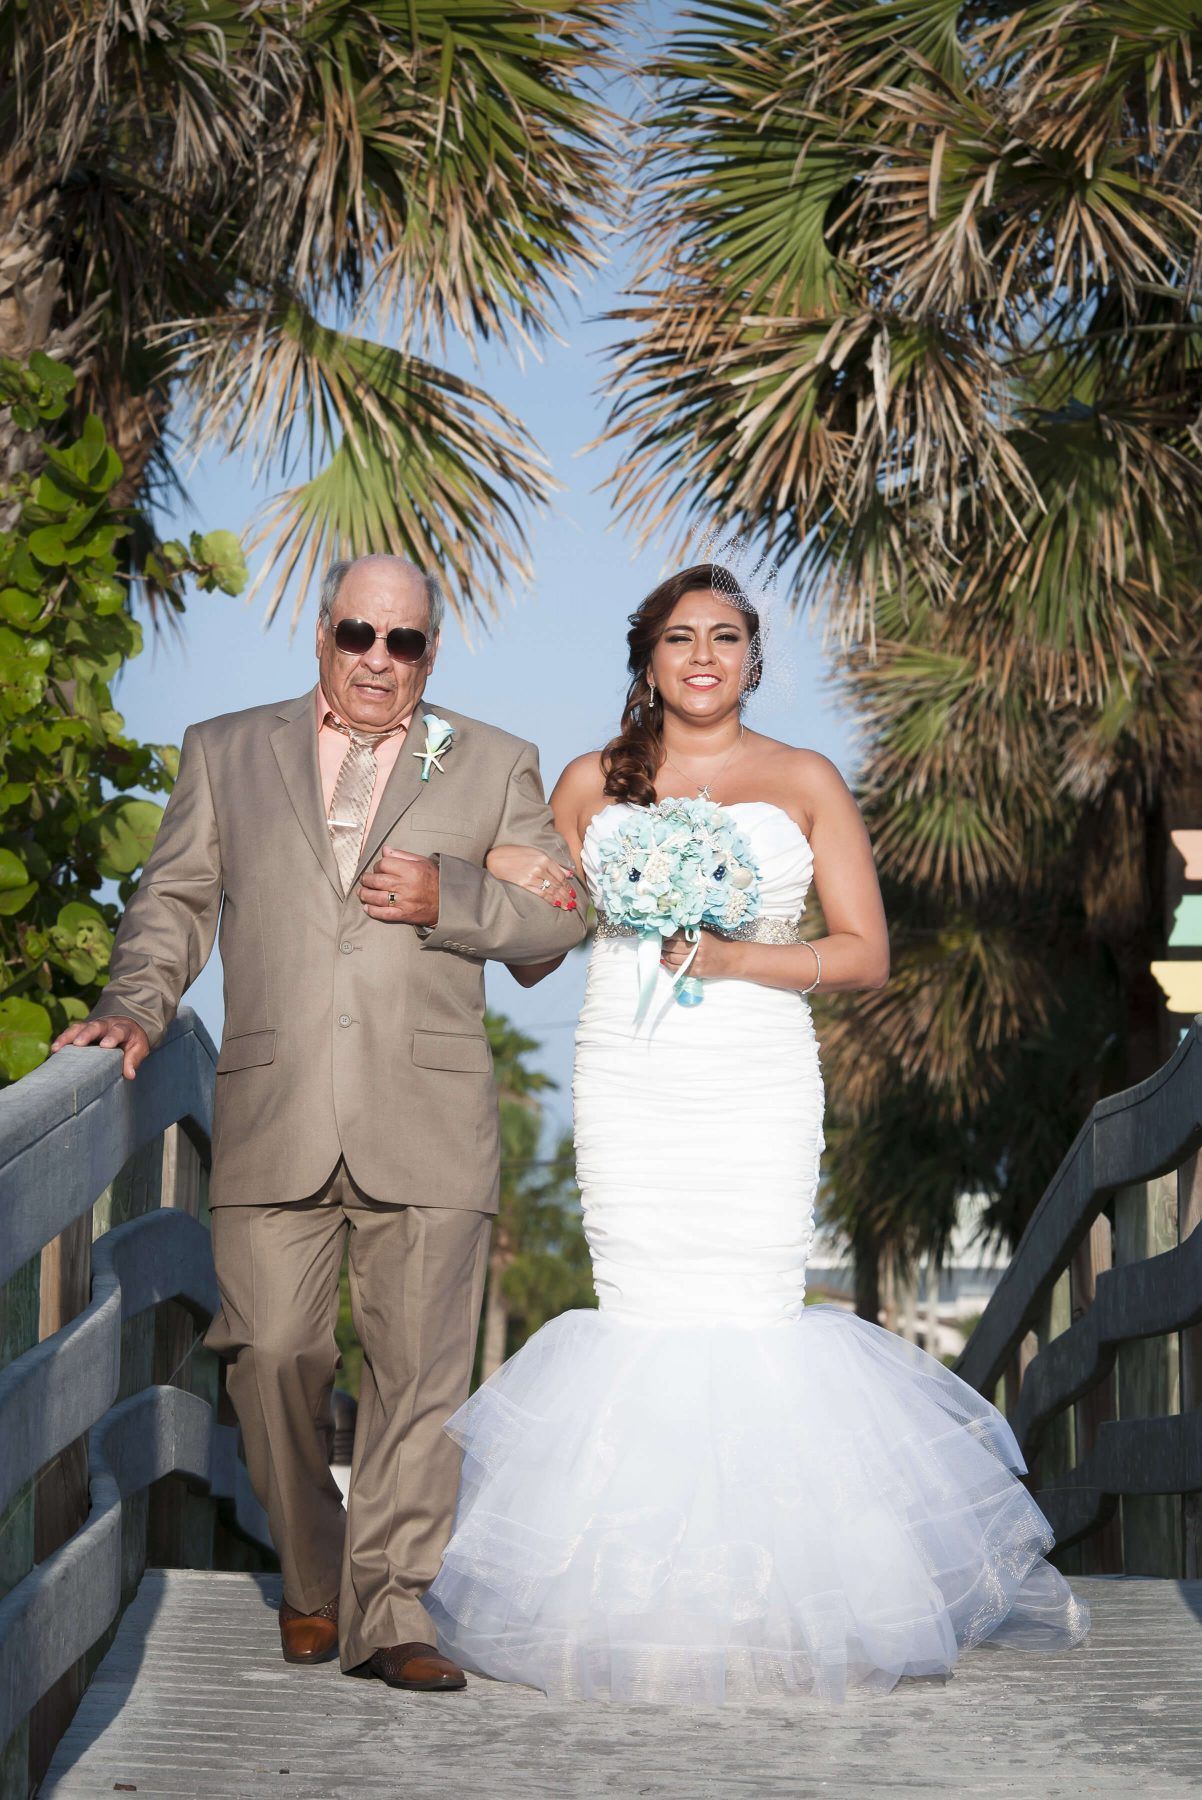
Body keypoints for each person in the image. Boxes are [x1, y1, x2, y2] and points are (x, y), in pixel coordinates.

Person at [424, 559, 1089, 1705]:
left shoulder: (801, 779)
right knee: (644, 1307)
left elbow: (864, 953)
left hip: (752, 1073)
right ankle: (639, 1607)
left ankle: (777, 1607)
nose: (700, 657)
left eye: (723, 637)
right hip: (630, 1072)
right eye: (679, 637)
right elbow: (542, 949)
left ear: (750, 658)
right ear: (647, 658)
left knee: (747, 1310)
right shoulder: (590, 780)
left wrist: (735, 958)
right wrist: (501, 869)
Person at [51, 554, 585, 1691]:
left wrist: (456, 900)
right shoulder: (225, 749)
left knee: (419, 1381)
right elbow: (176, 900)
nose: (380, 662)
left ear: (431, 652)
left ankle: (392, 1613)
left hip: (430, 1114)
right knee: (272, 1358)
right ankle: (314, 1576)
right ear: (322, 635)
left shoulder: (492, 761)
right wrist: (135, 1004)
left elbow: (554, 920)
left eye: (406, 643)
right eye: (359, 635)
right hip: (273, 1105)